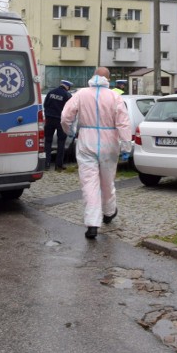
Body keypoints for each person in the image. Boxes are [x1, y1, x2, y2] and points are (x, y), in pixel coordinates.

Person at [61, 67, 131, 239]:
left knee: (89, 183)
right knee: (107, 181)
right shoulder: (115, 96)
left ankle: (92, 223)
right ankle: (108, 212)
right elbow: (123, 122)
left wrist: (69, 131)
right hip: (109, 142)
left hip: (86, 141)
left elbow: (65, 116)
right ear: (108, 79)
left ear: (93, 77)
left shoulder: (81, 94)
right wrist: (126, 146)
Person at [43, 80, 73, 171]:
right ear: (68, 87)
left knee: (48, 141)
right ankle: (58, 165)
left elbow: (45, 105)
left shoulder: (51, 92)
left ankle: (46, 164)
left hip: (49, 119)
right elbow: (70, 109)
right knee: (61, 142)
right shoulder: (67, 95)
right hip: (60, 121)